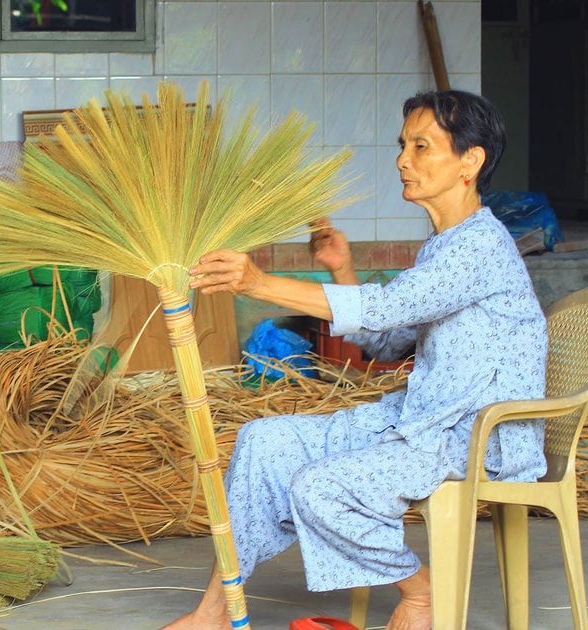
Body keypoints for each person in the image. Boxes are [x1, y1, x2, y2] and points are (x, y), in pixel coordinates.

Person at [163, 89, 546, 630]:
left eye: (422, 145)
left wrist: (258, 282)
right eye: (402, 144)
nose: (402, 159)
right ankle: (215, 611)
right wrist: (343, 269)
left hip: (474, 435)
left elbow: (385, 308)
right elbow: (390, 345)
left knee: (320, 486)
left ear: (471, 161)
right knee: (265, 441)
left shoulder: (481, 247)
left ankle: (421, 590)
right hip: (416, 423)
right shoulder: (441, 246)